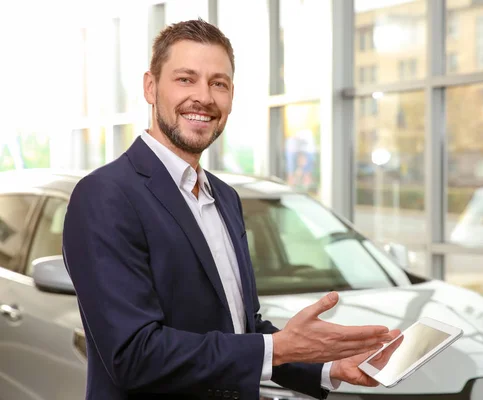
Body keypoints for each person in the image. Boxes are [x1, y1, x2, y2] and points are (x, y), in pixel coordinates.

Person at [62, 18, 394, 400]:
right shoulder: (105, 196)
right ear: (150, 88)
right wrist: (281, 347)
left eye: (218, 83)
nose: (203, 97)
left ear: (231, 96)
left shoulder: (224, 197)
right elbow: (134, 355)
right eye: (186, 79)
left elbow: (241, 328)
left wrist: (328, 367)